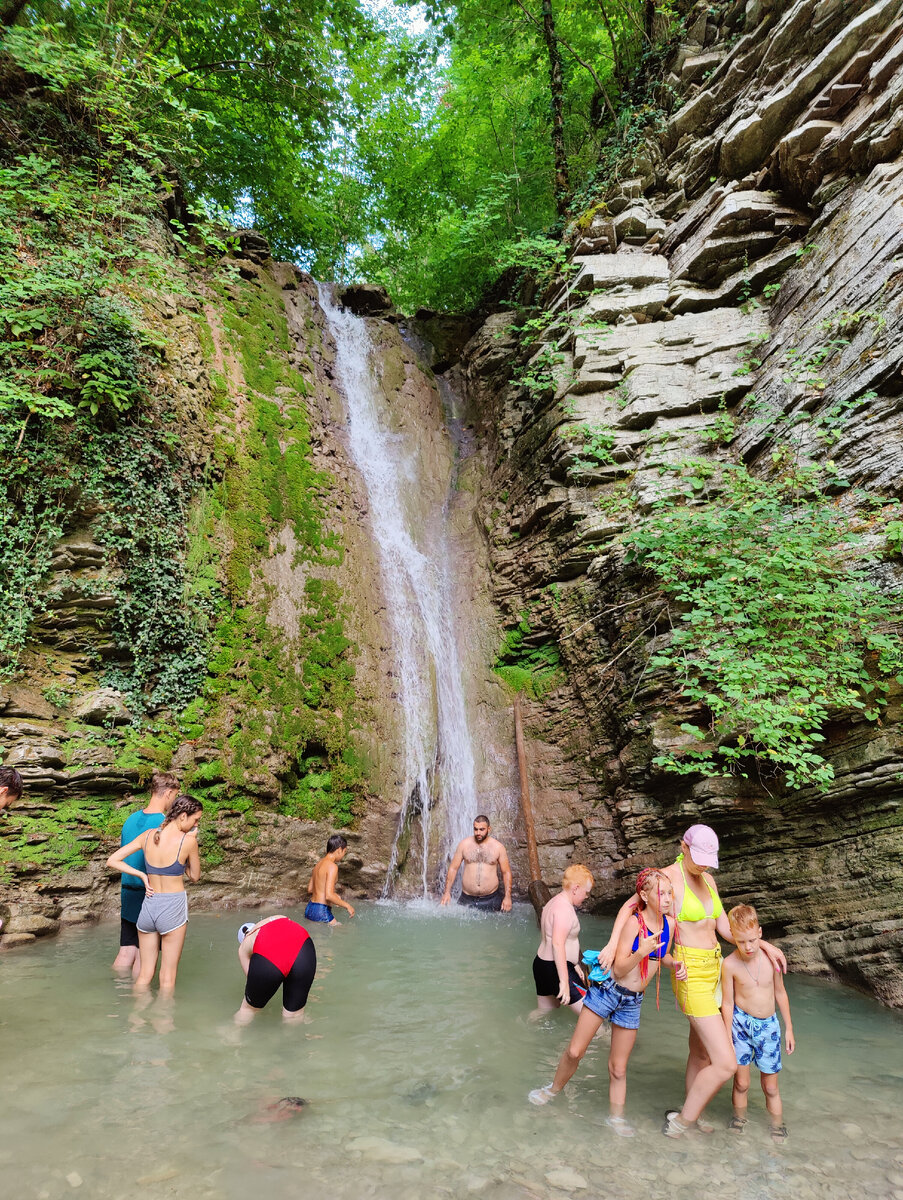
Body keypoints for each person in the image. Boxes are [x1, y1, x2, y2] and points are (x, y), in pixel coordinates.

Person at [600, 824, 787, 1138]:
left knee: (700, 1053)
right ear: (683, 847)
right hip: (691, 976)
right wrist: (611, 942)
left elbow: (725, 928)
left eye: (707, 859)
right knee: (726, 1062)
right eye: (698, 856)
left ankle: (693, 1112)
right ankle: (681, 1123)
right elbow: (631, 906)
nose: (702, 864)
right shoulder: (667, 877)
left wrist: (764, 943)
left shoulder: (709, 880)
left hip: (716, 969)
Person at [528, 869, 686, 1137]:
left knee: (618, 1067)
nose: (669, 898)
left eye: (670, 893)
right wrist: (641, 951)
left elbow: (664, 956)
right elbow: (622, 968)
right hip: (608, 991)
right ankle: (552, 1090)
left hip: (633, 1001)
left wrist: (674, 964)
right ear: (644, 896)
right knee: (576, 1051)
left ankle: (616, 1118)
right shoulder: (634, 924)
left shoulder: (670, 924)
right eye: (662, 893)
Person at [106, 794, 202, 991]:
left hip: (148, 907)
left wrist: (141, 875)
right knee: (167, 978)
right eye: (196, 820)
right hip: (172, 909)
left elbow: (112, 860)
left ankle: (136, 1020)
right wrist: (189, 847)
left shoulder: (148, 835)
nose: (195, 825)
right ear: (183, 816)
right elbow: (195, 876)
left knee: (143, 975)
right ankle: (163, 1021)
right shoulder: (188, 841)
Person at [721, 903, 794, 1143]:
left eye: (752, 940)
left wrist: (789, 1030)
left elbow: (781, 994)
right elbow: (728, 1003)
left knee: (770, 1087)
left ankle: (777, 1125)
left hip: (768, 1028)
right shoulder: (729, 965)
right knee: (741, 1083)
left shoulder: (771, 960)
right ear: (733, 937)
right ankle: (739, 1120)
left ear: (760, 933)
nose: (748, 947)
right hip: (740, 1026)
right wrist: (727, 1037)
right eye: (741, 942)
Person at [112, 771, 179, 974]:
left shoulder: (130, 819)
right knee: (145, 953)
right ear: (168, 793)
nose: (174, 801)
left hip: (127, 890)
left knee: (126, 950)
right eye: (175, 796)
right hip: (150, 893)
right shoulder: (164, 824)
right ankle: (138, 999)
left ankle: (116, 990)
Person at [532, 864, 594, 1014]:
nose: (586, 897)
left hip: (541, 965)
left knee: (545, 1013)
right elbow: (558, 944)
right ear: (576, 888)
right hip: (557, 968)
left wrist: (575, 964)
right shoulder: (564, 909)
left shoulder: (553, 903)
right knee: (592, 1015)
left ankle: (524, 1028)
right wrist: (564, 982)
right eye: (586, 892)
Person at [234, 915, 317, 1024]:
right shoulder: (277, 917)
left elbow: (253, 981)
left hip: (268, 952)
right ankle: (294, 1038)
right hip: (304, 946)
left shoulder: (244, 946)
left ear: (243, 938)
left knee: (248, 1009)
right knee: (293, 1015)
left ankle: (231, 1037)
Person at [439, 815, 512, 912]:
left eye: (482, 829)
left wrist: (507, 897)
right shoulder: (464, 845)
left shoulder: (498, 847)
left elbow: (506, 872)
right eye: (475, 829)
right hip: (467, 899)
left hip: (491, 899)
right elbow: (453, 868)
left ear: (488, 829)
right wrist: (447, 892)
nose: (478, 833)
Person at [305, 834, 355, 924]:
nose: (344, 855)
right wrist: (347, 905)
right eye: (345, 852)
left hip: (310, 907)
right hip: (321, 910)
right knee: (343, 933)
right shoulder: (332, 866)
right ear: (339, 850)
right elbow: (328, 896)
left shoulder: (318, 864)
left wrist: (335, 896)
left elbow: (310, 889)